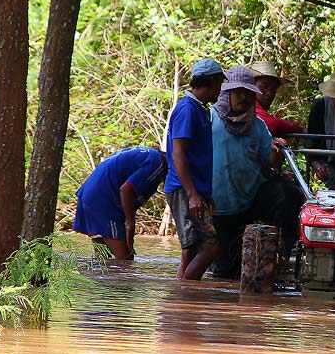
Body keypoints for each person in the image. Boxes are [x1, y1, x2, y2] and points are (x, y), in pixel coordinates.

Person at [209, 66, 297, 277]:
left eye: (249, 93)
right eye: (239, 92)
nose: (244, 97)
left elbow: (271, 161)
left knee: (288, 193)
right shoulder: (209, 119)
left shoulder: (257, 126)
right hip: (215, 208)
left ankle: (284, 253)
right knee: (224, 272)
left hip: (249, 202)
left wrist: (277, 150)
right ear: (227, 93)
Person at [165, 58, 224, 280]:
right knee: (209, 245)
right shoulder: (188, 109)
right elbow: (178, 153)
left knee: (191, 250)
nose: (219, 90)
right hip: (184, 189)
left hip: (194, 190)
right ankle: (186, 294)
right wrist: (192, 194)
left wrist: (204, 195)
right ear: (210, 82)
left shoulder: (199, 110)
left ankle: (182, 302)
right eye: (219, 84)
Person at [73, 146, 166, 260]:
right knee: (125, 261)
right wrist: (130, 223)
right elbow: (126, 190)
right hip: (103, 200)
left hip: (88, 195)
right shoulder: (157, 163)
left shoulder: (145, 154)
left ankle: (96, 278)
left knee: (102, 259)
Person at [250, 61, 304, 137]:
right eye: (264, 87)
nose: (269, 93)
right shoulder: (248, 107)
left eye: (273, 89)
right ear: (251, 86)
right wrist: (295, 127)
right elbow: (271, 124)